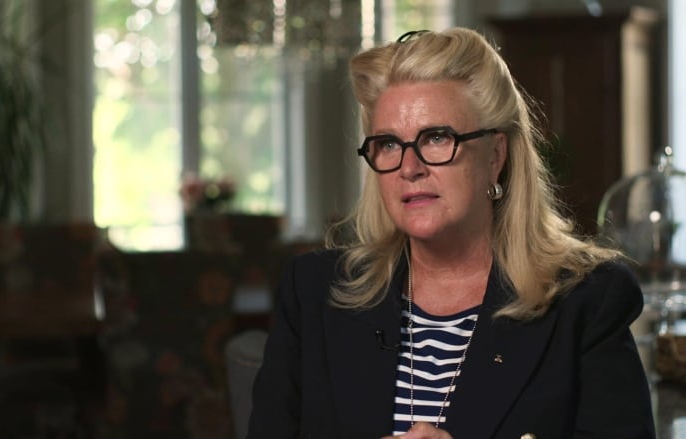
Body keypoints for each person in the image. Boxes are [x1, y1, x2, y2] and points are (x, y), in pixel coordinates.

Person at [247, 27, 655, 438]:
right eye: (389, 144)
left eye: (437, 137)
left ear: (496, 156)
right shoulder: (313, 291)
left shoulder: (588, 301)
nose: (409, 168)